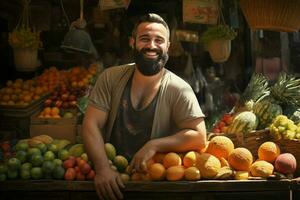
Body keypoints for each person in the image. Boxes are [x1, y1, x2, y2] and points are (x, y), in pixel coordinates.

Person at [82, 13, 207, 200]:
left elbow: (199, 136)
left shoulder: (179, 89)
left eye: (159, 40)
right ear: (132, 42)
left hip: (156, 185)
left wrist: (154, 145)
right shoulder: (110, 78)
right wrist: (103, 169)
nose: (151, 45)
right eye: (144, 39)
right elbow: (91, 125)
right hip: (111, 181)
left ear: (168, 47)